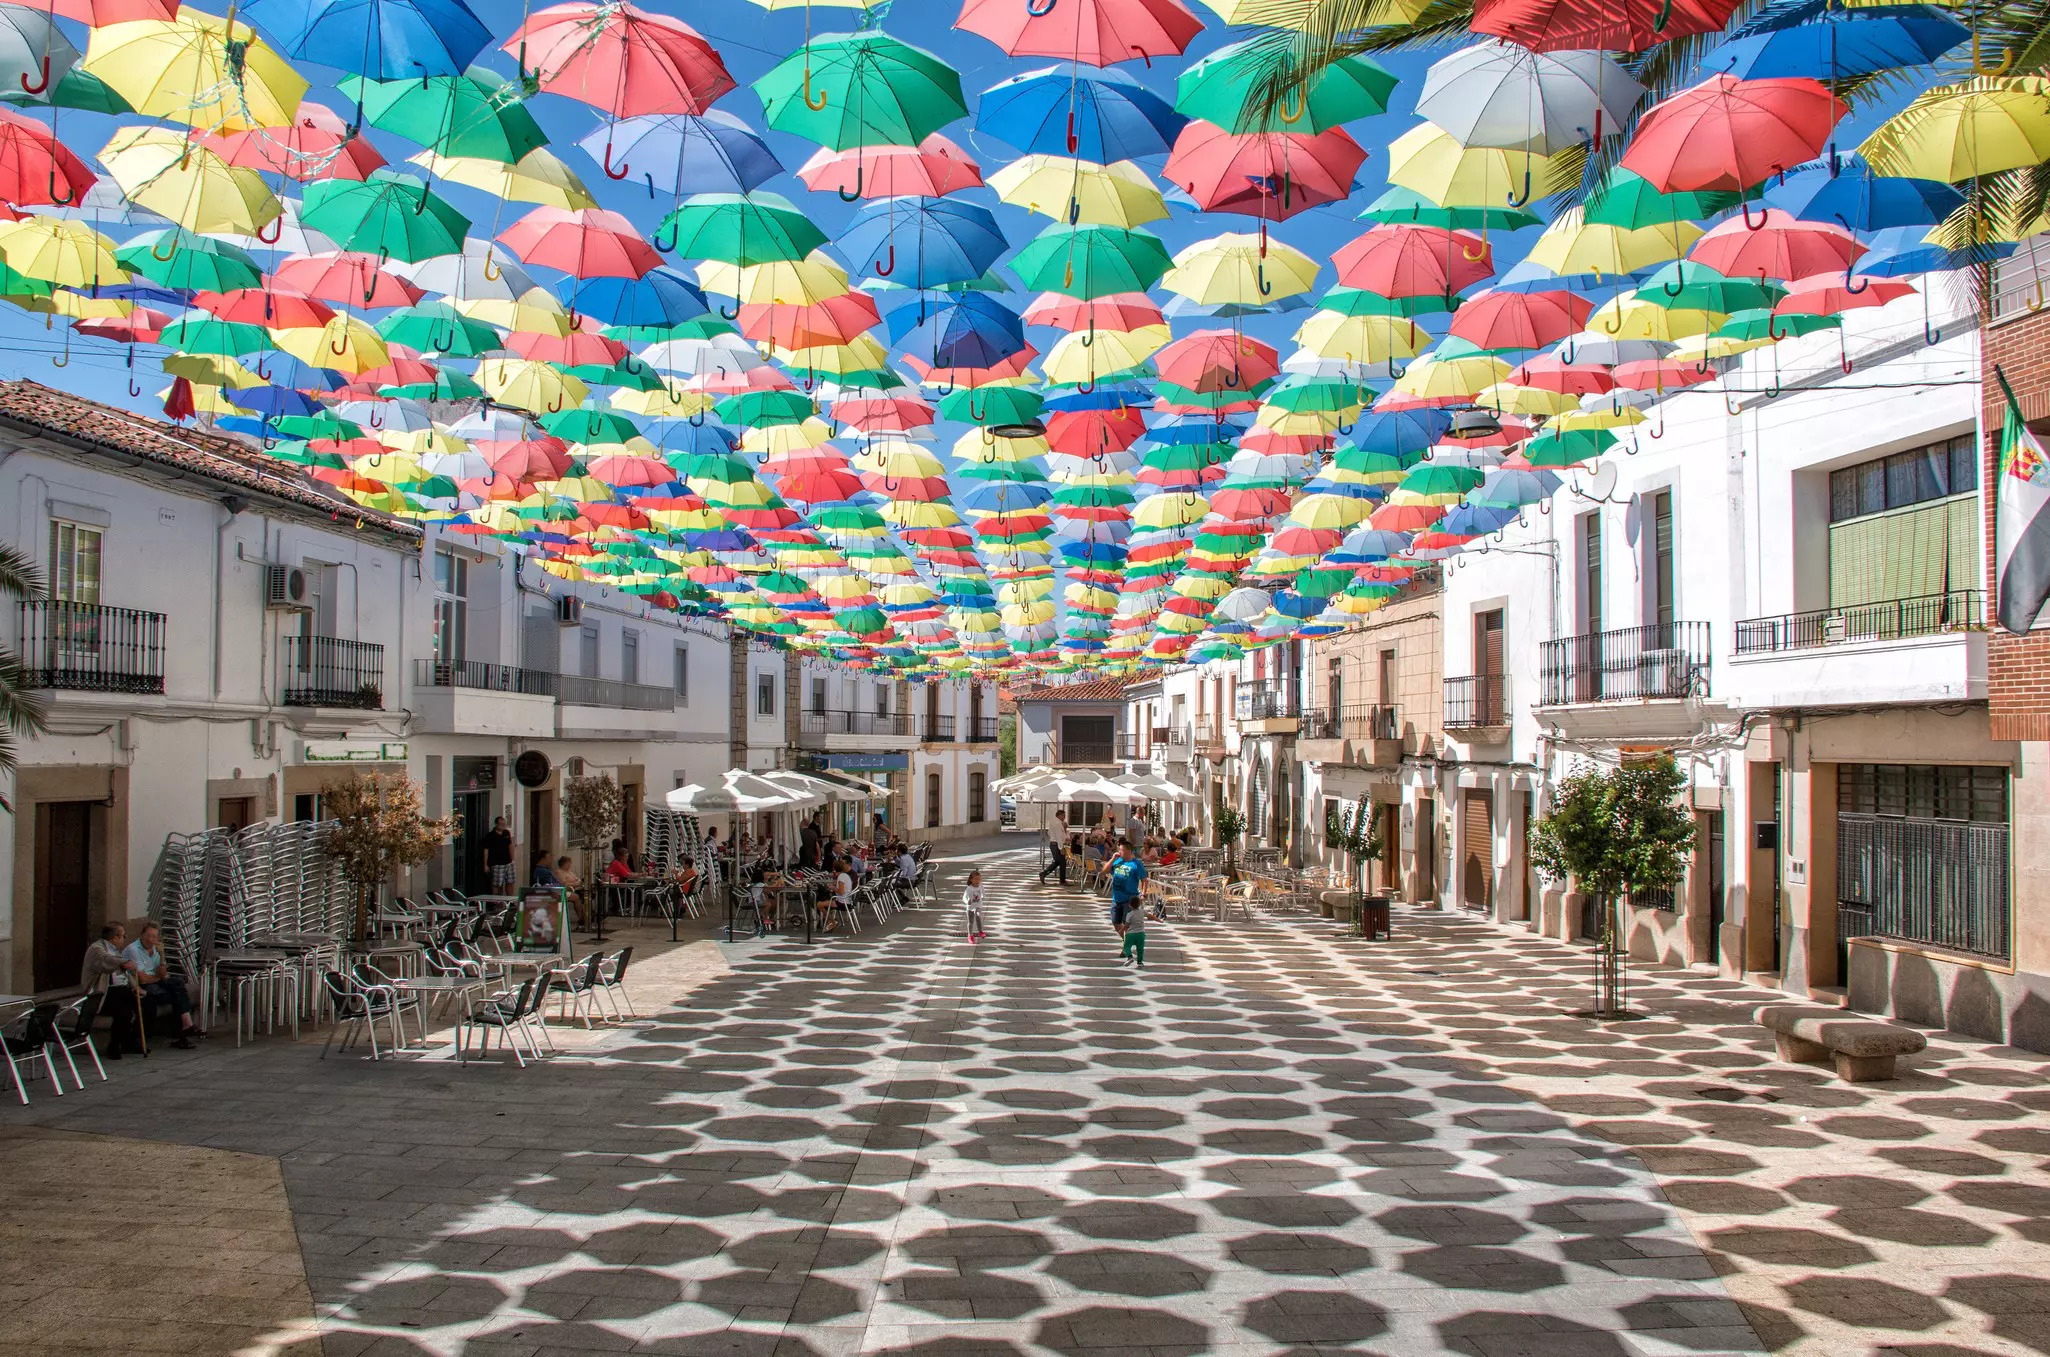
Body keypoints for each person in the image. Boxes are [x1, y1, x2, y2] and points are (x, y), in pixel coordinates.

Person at [122, 921, 200, 1048]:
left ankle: (186, 1025)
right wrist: (157, 977)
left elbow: (163, 974)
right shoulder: (133, 950)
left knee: (177, 983)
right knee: (177, 995)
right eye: (148, 936)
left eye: (154, 936)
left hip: (156, 981)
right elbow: (142, 979)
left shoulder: (156, 948)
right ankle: (185, 1029)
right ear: (141, 935)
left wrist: (162, 955)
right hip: (141, 985)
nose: (151, 939)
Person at [80, 922, 140, 1058]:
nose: (124, 939)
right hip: (98, 995)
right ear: (115, 938)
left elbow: (123, 974)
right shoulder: (97, 949)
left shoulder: (115, 950)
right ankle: (115, 1045)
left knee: (137, 1000)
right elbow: (106, 962)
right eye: (123, 936)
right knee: (123, 1004)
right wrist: (124, 963)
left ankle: (129, 1041)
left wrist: (135, 987)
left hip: (115, 992)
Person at [1108, 842, 1148, 939]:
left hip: (1129, 899)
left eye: (1121, 850)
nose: (1119, 852)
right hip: (1116, 898)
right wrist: (1112, 859)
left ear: (1129, 851)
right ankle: (1126, 941)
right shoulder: (1117, 861)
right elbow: (1104, 870)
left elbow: (1144, 880)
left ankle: (1126, 947)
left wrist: (1143, 894)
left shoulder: (1136, 864)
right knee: (1115, 922)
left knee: (1127, 924)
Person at [484, 816, 515, 892]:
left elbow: (510, 845)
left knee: (510, 882)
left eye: (504, 824)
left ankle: (510, 902)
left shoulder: (506, 833)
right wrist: (485, 865)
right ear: (496, 824)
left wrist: (512, 859)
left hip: (508, 862)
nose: (503, 826)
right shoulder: (490, 835)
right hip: (496, 863)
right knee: (496, 884)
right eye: (501, 824)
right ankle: (496, 902)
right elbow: (486, 850)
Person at [554, 855, 587, 926]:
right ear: (563, 863)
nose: (569, 865)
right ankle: (581, 917)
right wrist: (576, 883)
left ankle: (585, 915)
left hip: (575, 888)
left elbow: (577, 879)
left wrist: (579, 882)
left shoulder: (569, 872)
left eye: (570, 863)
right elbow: (564, 883)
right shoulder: (559, 872)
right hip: (566, 890)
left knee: (585, 895)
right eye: (568, 863)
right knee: (577, 897)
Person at [1120, 895, 1148, 969]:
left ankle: (1130, 957)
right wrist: (1158, 919)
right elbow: (1150, 916)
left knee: (1126, 946)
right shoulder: (1142, 911)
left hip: (1131, 934)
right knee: (1140, 948)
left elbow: (1126, 925)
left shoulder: (1129, 914)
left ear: (1130, 905)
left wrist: (1121, 930)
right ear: (1139, 904)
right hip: (1141, 934)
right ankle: (1140, 962)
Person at [962, 869, 985, 942]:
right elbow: (964, 897)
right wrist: (967, 902)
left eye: (979, 879)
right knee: (970, 922)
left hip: (978, 905)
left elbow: (983, 893)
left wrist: (983, 897)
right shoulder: (969, 888)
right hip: (970, 907)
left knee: (978, 916)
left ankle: (980, 931)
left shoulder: (981, 886)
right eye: (975, 879)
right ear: (971, 880)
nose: (977, 881)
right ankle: (970, 935)